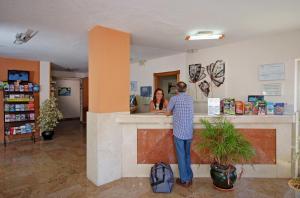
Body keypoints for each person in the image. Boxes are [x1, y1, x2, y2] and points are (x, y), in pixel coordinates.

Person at [165, 81, 194, 187]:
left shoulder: (174, 99)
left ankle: (184, 180)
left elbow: (167, 113)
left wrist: (174, 111)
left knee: (181, 156)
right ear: (186, 89)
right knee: (187, 155)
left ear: (176, 89)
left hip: (179, 132)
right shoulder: (190, 98)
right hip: (189, 131)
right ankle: (189, 176)